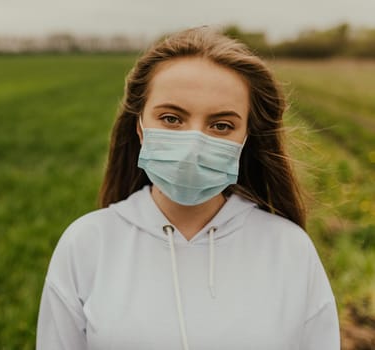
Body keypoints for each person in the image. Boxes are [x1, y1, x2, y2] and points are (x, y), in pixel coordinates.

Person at [36, 27, 340, 349]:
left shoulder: (289, 249)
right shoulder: (87, 244)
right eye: (171, 119)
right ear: (139, 126)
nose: (194, 144)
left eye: (221, 125)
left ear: (246, 139)